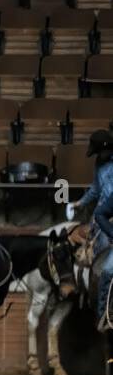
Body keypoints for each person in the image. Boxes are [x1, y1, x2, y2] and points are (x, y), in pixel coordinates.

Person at [71, 129, 113, 324]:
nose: (97, 156)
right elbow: (96, 189)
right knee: (97, 260)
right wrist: (81, 202)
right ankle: (100, 307)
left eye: (98, 152)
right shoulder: (99, 164)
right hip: (103, 216)